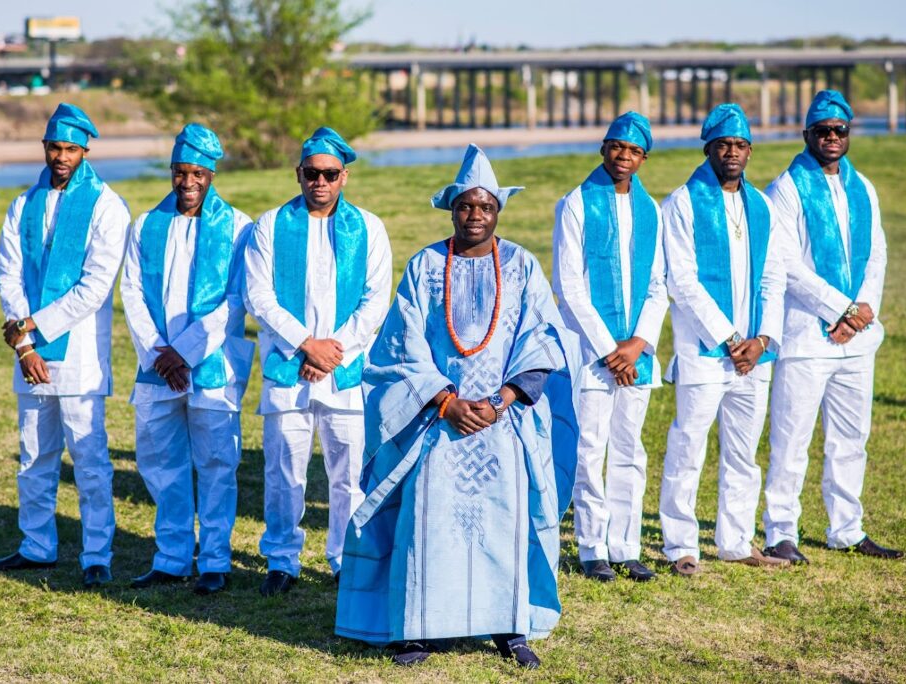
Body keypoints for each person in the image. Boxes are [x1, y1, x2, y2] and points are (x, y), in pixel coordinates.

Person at [334, 144, 581, 670]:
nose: (475, 216)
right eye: (465, 206)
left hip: (503, 422)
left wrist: (500, 400)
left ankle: (508, 627)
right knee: (428, 520)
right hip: (437, 419)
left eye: (485, 207)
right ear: (452, 210)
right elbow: (399, 346)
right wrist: (446, 402)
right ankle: (419, 628)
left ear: (498, 211)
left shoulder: (520, 265)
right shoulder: (425, 265)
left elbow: (544, 340)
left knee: (504, 521)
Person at [0, 103, 130, 588]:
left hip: (80, 359)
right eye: (53, 146)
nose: (60, 156)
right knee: (33, 457)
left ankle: (96, 555)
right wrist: (25, 345)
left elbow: (94, 286)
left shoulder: (107, 206)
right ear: (43, 147)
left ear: (86, 150)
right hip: (30, 358)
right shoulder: (23, 205)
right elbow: (9, 275)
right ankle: (37, 546)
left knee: (89, 460)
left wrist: (32, 325)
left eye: (70, 148)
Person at [244, 127, 392, 596]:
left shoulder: (368, 227)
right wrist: (306, 343)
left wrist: (330, 351)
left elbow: (375, 302)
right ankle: (282, 560)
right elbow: (258, 296)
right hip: (289, 367)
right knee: (284, 471)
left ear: (344, 177)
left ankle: (344, 558)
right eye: (312, 173)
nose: (320, 182)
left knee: (347, 473)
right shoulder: (269, 225)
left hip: (344, 372)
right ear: (299, 174)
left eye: (330, 174)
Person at [761, 90, 903, 563]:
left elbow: (877, 255)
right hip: (806, 336)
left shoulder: (864, 187)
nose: (831, 138)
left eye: (839, 130)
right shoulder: (785, 188)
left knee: (851, 439)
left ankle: (847, 528)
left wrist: (862, 314)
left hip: (857, 341)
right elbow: (784, 263)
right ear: (806, 135)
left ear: (849, 134)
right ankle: (781, 531)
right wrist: (839, 309)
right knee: (791, 438)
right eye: (822, 131)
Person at [121, 124, 254, 594]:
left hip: (213, 365)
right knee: (161, 461)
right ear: (172, 172)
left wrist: (188, 351)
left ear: (212, 174)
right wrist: (161, 353)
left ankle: (215, 559)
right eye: (181, 172)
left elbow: (239, 298)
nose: (189, 182)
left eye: (198, 173)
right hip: (158, 366)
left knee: (217, 462)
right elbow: (132, 292)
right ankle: (172, 556)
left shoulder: (239, 227)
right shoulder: (146, 225)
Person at [658, 104, 788, 576]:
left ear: (750, 151)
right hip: (704, 353)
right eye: (723, 145)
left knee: (743, 452)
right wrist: (732, 337)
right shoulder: (682, 203)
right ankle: (680, 545)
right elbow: (683, 281)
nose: (731, 153)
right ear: (708, 148)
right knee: (688, 446)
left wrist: (763, 337)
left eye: (739, 145)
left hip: (755, 356)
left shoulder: (763, 207)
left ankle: (735, 541)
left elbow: (775, 276)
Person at [553, 111, 668, 583]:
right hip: (592, 354)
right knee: (589, 448)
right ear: (604, 149)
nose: (624, 157)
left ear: (643, 159)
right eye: (617, 147)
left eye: (634, 151)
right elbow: (570, 285)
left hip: (636, 356)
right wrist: (609, 350)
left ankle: (626, 545)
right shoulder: (576, 203)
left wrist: (638, 344)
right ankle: (592, 547)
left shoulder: (651, 210)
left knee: (630, 450)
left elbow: (659, 284)